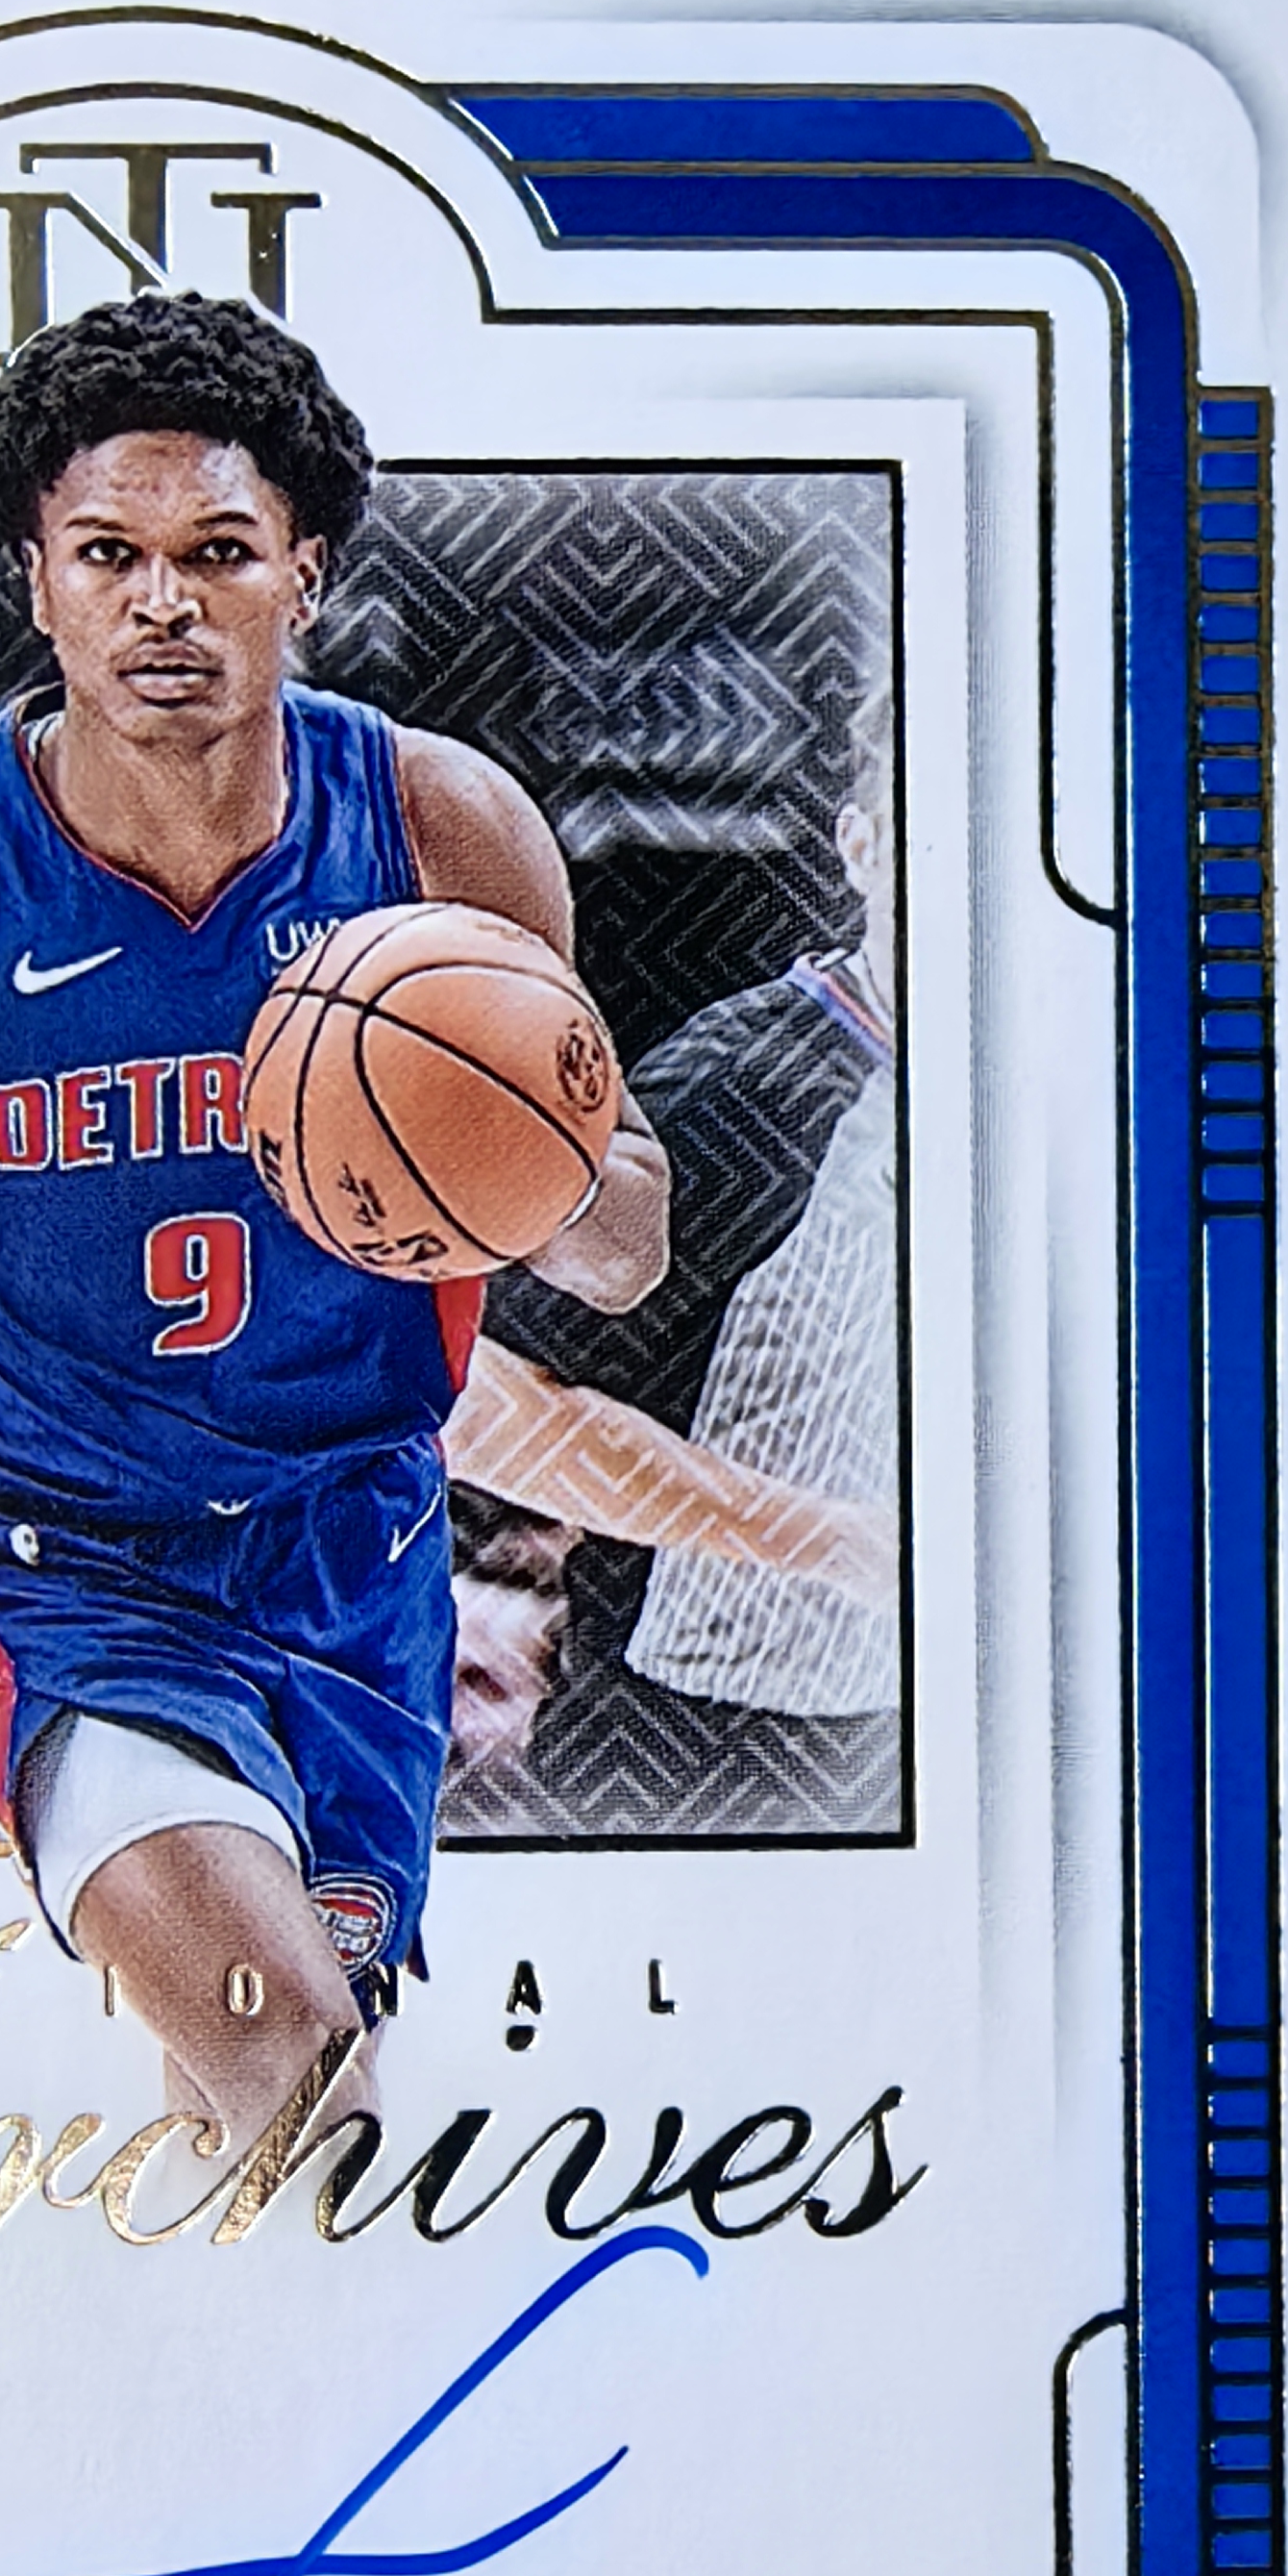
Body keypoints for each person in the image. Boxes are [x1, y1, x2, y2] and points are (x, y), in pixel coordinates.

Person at [0, 292, 668, 2138]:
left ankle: (127, 2322)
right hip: (50, 1557)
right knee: (280, 2044)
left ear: (306, 572)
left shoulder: (444, 835)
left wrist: (547, 1189)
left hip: (356, 1545)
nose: (163, 605)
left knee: (273, 2100)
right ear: (35, 581)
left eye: (218, 552)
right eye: (107, 555)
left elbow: (620, 1228)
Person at [474, 759, 902, 1832]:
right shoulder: (744, 1090)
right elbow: (485, 1395)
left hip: (911, 1716)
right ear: (860, 847)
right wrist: (832, 1539)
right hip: (706, 1735)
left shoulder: (1055, 1091)